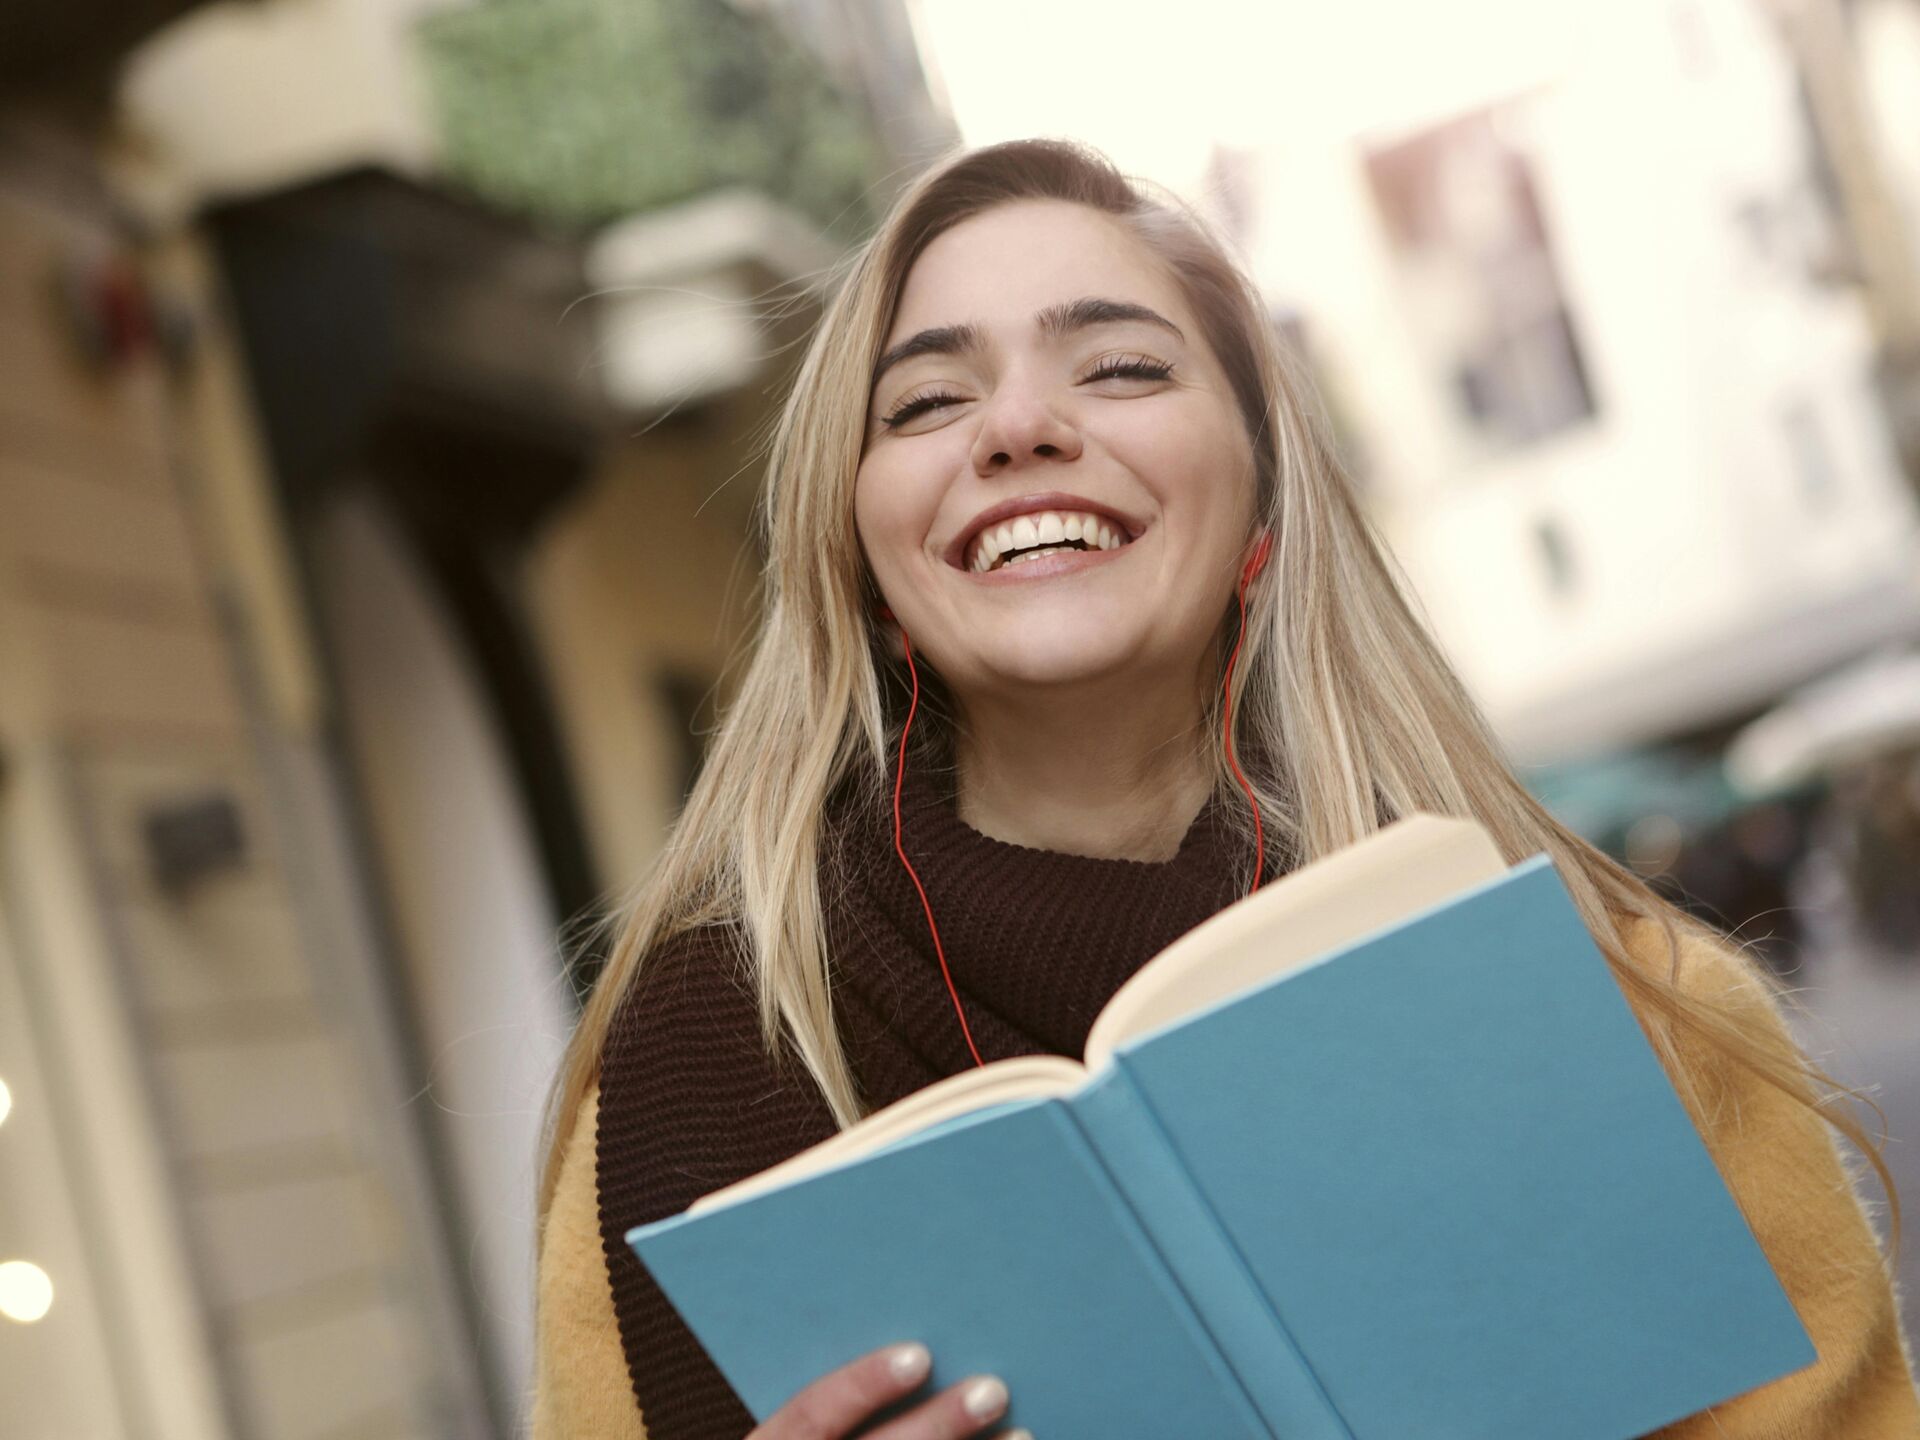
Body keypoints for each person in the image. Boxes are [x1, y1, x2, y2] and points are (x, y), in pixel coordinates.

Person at [531, 140, 1920, 1439]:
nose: (1016, 425)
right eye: (929, 400)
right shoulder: (679, 1088)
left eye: (1122, 368)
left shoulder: (1637, 1016)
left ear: (1262, 508)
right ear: (865, 561)